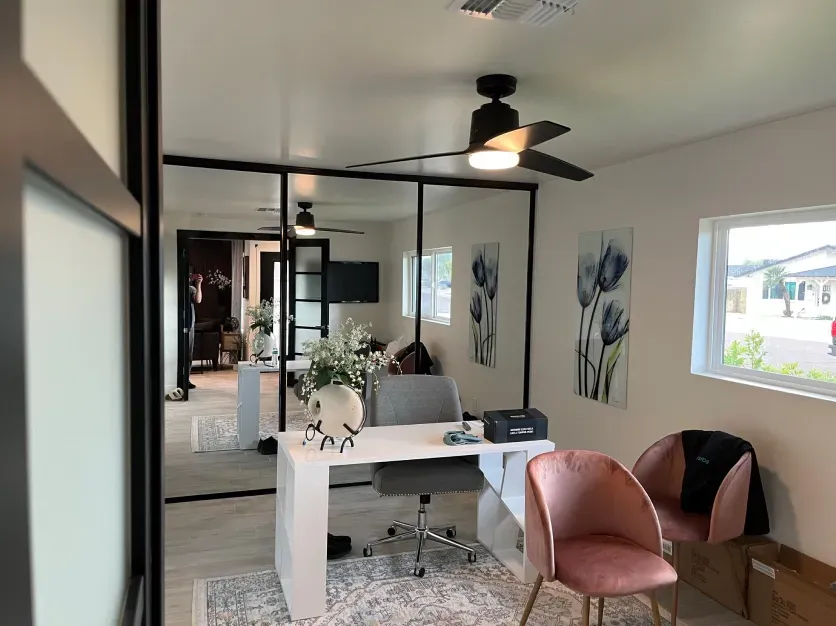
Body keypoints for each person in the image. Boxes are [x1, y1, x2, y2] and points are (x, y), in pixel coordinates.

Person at [187, 274, 203, 389]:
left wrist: (198, 285)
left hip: (189, 326)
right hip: (175, 325)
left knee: (188, 354)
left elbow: (198, 300)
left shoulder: (191, 289)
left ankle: (186, 379)